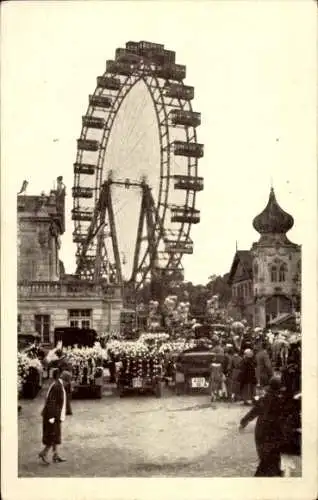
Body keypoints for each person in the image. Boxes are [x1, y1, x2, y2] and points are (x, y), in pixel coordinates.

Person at [239, 376, 284, 476]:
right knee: (270, 461)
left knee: (265, 459)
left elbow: (252, 413)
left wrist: (243, 423)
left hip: (261, 433)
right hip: (273, 435)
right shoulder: (280, 402)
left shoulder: (263, 400)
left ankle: (274, 475)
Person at [38, 368, 67, 465]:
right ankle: (43, 453)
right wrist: (52, 417)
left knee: (55, 435)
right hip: (52, 415)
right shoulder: (58, 387)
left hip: (54, 414)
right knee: (52, 435)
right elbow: (52, 402)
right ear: (66, 380)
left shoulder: (58, 384)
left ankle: (56, 455)